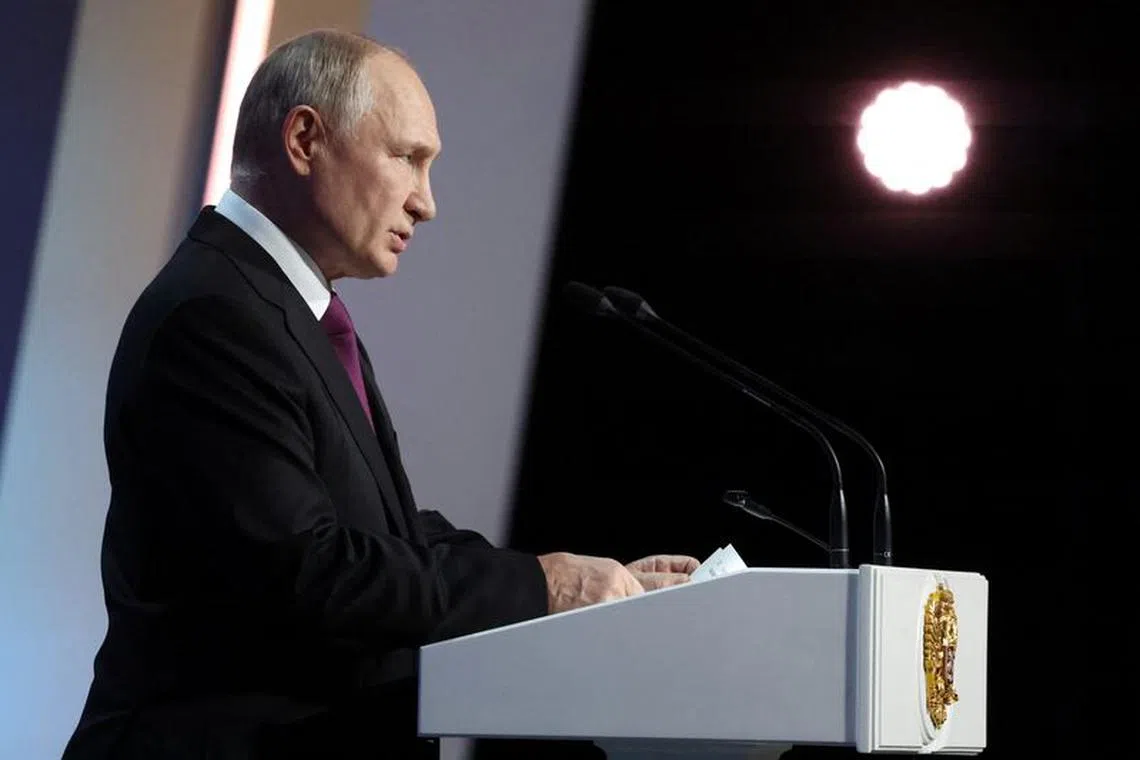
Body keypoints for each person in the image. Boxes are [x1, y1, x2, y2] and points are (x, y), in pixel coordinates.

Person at [61, 29, 698, 760]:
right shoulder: (214, 316)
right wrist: (543, 586)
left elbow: (383, 532)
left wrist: (586, 578)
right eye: (407, 158)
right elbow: (311, 571)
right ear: (305, 139)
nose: (426, 203)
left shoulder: (285, 309)